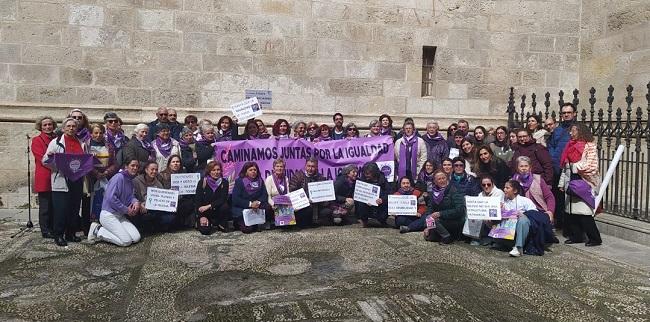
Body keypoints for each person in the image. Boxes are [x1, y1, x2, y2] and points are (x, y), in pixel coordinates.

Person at [43, 118, 87, 247]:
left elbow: (84, 159)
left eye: (74, 126)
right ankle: (59, 235)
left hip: (76, 179)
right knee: (61, 210)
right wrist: (51, 158)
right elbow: (45, 161)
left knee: (74, 208)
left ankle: (71, 233)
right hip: (61, 180)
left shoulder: (81, 142)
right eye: (68, 126)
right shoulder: (55, 142)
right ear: (63, 128)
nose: (71, 128)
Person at [559, 123, 602, 246]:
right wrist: (562, 183)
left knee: (585, 213)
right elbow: (565, 167)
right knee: (572, 212)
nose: (570, 133)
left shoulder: (590, 146)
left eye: (573, 131)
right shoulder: (569, 145)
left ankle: (594, 238)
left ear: (580, 131)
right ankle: (576, 236)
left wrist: (574, 166)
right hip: (570, 180)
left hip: (584, 182)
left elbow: (591, 166)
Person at [87, 159, 142, 247]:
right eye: (132, 165)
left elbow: (131, 196)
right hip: (109, 215)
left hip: (120, 215)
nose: (135, 168)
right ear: (126, 166)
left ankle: (112, 231)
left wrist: (136, 202)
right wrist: (126, 210)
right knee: (126, 241)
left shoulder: (130, 180)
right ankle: (98, 230)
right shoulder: (118, 177)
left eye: (137, 166)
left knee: (136, 238)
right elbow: (111, 198)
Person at [401, 171, 466, 244]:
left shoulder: (454, 190)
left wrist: (440, 214)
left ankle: (447, 237)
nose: (442, 180)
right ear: (435, 181)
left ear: (447, 178)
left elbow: (460, 210)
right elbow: (430, 209)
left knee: (435, 222)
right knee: (429, 235)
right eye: (439, 179)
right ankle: (441, 233)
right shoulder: (433, 193)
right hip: (440, 220)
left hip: (454, 220)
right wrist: (428, 226)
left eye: (443, 178)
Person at [496, 180, 542, 257]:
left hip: (523, 229)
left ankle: (518, 248)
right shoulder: (503, 201)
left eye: (507, 188)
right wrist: (499, 210)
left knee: (523, 220)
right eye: (504, 187)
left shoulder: (524, 200)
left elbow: (534, 213)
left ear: (515, 190)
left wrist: (523, 214)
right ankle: (505, 243)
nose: (504, 190)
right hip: (508, 230)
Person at [86, 123, 118, 233]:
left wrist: (107, 172)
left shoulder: (109, 146)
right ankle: (90, 225)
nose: (98, 135)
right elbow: (84, 161)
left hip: (106, 176)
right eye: (95, 133)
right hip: (91, 178)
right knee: (91, 201)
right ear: (91, 134)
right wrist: (95, 173)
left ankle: (105, 224)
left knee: (105, 200)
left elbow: (114, 163)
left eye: (100, 133)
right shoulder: (86, 146)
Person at [32, 116, 57, 239]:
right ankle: (45, 230)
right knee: (45, 206)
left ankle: (53, 227)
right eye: (45, 125)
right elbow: (42, 157)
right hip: (44, 176)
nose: (48, 127)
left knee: (54, 205)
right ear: (40, 127)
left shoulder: (57, 139)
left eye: (50, 124)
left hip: (56, 176)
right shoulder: (37, 140)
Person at [289, 157, 334, 225]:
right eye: (308, 166)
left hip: (318, 206)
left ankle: (317, 221)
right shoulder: (297, 176)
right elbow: (292, 191)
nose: (310, 169)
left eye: (313, 167)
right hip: (303, 206)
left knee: (328, 211)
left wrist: (322, 199)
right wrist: (305, 199)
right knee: (307, 214)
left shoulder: (321, 178)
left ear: (316, 167)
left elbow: (326, 197)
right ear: (305, 166)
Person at [133, 161, 175, 233]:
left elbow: (162, 197)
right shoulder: (137, 181)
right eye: (152, 169)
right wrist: (140, 204)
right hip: (142, 210)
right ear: (146, 170)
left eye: (156, 170)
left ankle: (154, 227)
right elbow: (132, 196)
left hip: (155, 210)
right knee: (146, 218)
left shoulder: (158, 183)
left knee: (170, 218)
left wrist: (170, 194)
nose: (154, 171)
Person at [511, 156, 555, 222]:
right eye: (521, 166)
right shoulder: (512, 182)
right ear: (517, 168)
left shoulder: (538, 180)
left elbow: (549, 197)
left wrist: (550, 211)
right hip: (518, 213)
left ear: (530, 168)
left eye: (526, 166)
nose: (524, 168)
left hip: (538, 212)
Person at [465, 175, 504, 245]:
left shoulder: (499, 192)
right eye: (484, 185)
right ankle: (476, 238)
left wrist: (488, 215)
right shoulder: (480, 194)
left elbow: (498, 208)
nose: (486, 186)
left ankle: (495, 240)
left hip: (497, 215)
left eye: (488, 184)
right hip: (485, 216)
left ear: (492, 184)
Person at [231, 162, 268, 233]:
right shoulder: (239, 182)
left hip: (257, 207)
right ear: (246, 172)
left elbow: (264, 195)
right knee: (247, 230)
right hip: (243, 208)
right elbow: (236, 199)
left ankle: (256, 223)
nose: (253, 171)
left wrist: (258, 202)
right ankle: (237, 223)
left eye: (255, 170)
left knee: (267, 206)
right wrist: (250, 204)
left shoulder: (260, 181)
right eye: (250, 170)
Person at [194, 161, 230, 235]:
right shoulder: (202, 182)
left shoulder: (224, 182)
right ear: (209, 171)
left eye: (218, 170)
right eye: (213, 170)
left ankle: (220, 223)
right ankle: (201, 222)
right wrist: (201, 216)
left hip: (217, 211)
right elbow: (197, 200)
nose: (216, 172)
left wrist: (209, 206)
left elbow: (222, 199)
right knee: (205, 231)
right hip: (204, 213)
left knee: (225, 206)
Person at [159, 155, 194, 229]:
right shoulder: (162, 175)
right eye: (173, 162)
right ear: (169, 164)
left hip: (181, 200)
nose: (175, 163)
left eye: (177, 162)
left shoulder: (184, 173)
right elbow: (160, 191)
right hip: (168, 202)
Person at [356, 162, 389, 227]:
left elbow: (389, 192)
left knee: (389, 202)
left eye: (368, 174)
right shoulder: (363, 180)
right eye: (365, 173)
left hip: (380, 203)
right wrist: (366, 199)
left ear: (374, 173)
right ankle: (364, 220)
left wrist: (382, 199)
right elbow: (359, 194)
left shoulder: (382, 180)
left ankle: (382, 220)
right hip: (367, 205)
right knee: (360, 202)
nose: (366, 175)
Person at [265, 159, 290, 226]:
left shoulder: (286, 178)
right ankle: (271, 221)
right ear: (273, 168)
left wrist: (289, 203)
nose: (279, 168)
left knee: (287, 226)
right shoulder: (269, 179)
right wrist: (273, 204)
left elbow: (288, 193)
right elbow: (268, 196)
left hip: (284, 204)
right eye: (277, 166)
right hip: (273, 204)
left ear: (284, 168)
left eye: (281, 166)